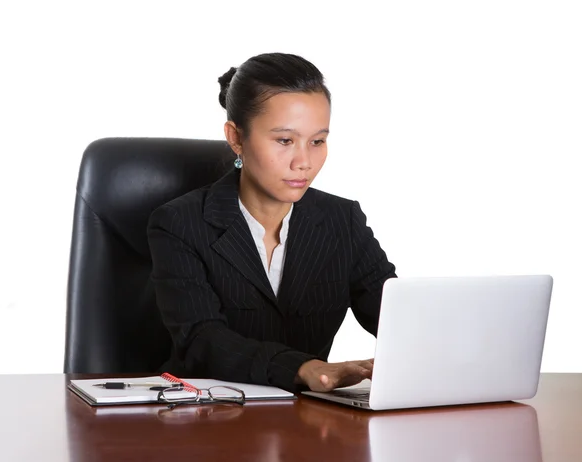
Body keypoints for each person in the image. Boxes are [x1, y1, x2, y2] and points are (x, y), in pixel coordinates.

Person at [147, 52, 397, 393]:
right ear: (236, 138)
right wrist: (303, 368)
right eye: (284, 141)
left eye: (317, 141)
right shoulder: (179, 223)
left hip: (308, 423)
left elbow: (396, 319)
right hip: (206, 417)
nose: (304, 162)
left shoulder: (343, 221)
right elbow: (201, 340)